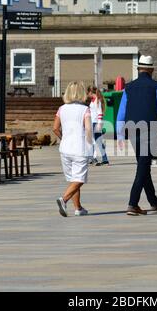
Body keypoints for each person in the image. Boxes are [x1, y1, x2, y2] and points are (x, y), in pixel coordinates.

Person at [116, 55, 157, 216]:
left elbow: (121, 112)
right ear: (151, 70)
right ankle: (132, 204)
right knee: (142, 166)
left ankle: (153, 201)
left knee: (143, 164)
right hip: (151, 128)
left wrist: (120, 135)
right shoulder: (156, 86)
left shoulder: (128, 87)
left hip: (132, 130)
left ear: (139, 69)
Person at [53, 81, 93, 217]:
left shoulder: (61, 109)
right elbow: (88, 128)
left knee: (73, 179)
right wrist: (90, 144)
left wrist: (63, 138)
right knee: (79, 179)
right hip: (80, 148)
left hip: (65, 148)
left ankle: (78, 208)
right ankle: (63, 199)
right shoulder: (85, 109)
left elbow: (55, 128)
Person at [88, 86, 109, 166]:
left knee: (95, 141)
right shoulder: (93, 100)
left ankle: (94, 158)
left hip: (96, 123)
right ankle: (104, 159)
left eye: (88, 93)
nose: (87, 94)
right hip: (93, 122)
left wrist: (99, 123)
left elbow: (100, 112)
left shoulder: (97, 100)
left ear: (91, 92)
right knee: (97, 141)